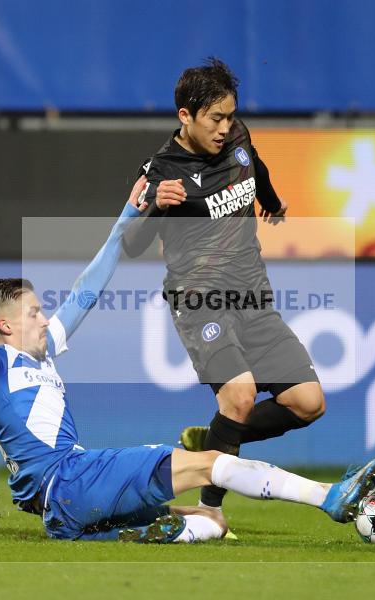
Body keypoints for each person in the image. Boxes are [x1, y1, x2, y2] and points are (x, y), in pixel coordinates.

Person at [0, 178, 375, 542]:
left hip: (62, 506)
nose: (45, 318)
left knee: (210, 523)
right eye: (34, 312)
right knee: (208, 462)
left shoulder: (44, 353)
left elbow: (86, 289)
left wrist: (125, 220)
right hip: (73, 477)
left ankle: (148, 533)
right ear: (4, 327)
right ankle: (330, 496)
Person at [122, 58, 329, 513]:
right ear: (185, 116)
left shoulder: (237, 137)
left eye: (230, 115)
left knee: (308, 402)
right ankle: (209, 508)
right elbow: (131, 245)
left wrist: (272, 203)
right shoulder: (160, 170)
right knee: (239, 395)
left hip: (254, 296)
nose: (225, 126)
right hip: (200, 300)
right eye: (215, 118)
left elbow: (254, 166)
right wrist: (153, 204)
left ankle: (214, 441)